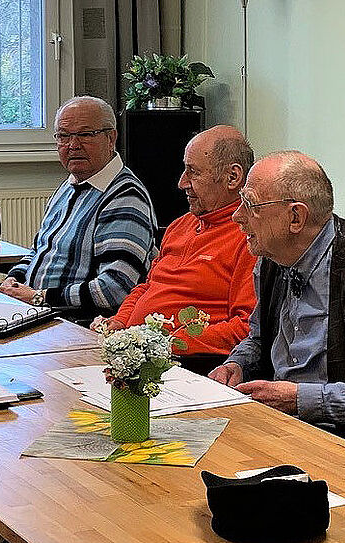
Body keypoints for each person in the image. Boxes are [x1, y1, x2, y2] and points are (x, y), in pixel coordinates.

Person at [208, 151, 345, 435]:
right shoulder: (272, 260)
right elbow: (259, 338)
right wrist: (237, 363)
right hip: (282, 427)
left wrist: (302, 400)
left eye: (251, 205)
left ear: (296, 217)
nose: (237, 216)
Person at [105, 124, 257, 373]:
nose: (181, 183)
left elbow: (245, 328)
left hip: (188, 365)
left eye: (193, 173)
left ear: (233, 178)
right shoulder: (180, 225)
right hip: (134, 354)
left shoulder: (249, 237)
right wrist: (120, 324)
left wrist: (167, 342)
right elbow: (147, 287)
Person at [0, 96, 157, 321]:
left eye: (85, 134)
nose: (73, 145)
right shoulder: (69, 186)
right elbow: (39, 251)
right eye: (63, 136)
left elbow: (115, 288)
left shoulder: (125, 196)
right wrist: (12, 282)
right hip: (36, 313)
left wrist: (40, 298)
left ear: (111, 138)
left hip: (75, 323)